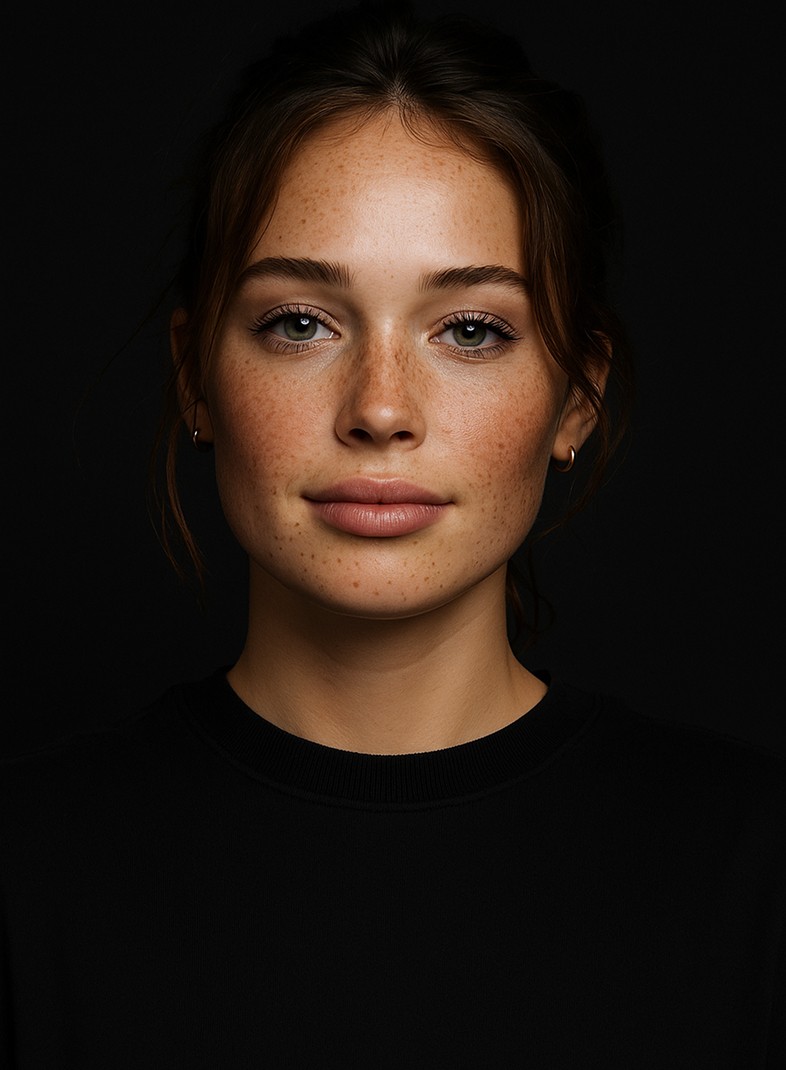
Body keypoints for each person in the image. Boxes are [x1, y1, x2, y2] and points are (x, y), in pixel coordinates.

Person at [1, 2, 783, 1065]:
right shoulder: (33, 869)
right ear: (196, 374)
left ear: (576, 400)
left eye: (470, 330)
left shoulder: (751, 873)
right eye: (301, 322)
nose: (379, 407)